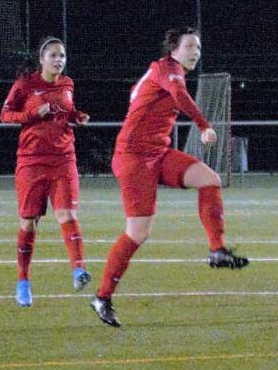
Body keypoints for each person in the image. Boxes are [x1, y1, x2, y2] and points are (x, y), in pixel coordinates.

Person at [90, 27, 248, 328]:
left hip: (158, 152)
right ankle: (102, 297)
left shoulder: (162, 72)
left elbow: (138, 96)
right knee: (138, 233)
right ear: (173, 49)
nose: (195, 52)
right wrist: (203, 125)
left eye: (198, 47)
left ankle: (217, 250)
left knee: (209, 179)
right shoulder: (168, 68)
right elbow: (178, 95)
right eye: (189, 46)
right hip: (134, 158)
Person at [0, 36, 91, 306]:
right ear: (41, 60)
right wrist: (32, 115)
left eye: (62, 55)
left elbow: (67, 112)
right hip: (31, 162)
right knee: (29, 221)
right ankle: (23, 282)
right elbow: (5, 115)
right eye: (53, 55)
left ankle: (79, 270)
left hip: (64, 159)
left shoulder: (68, 83)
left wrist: (77, 117)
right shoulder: (25, 84)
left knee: (67, 214)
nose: (59, 60)